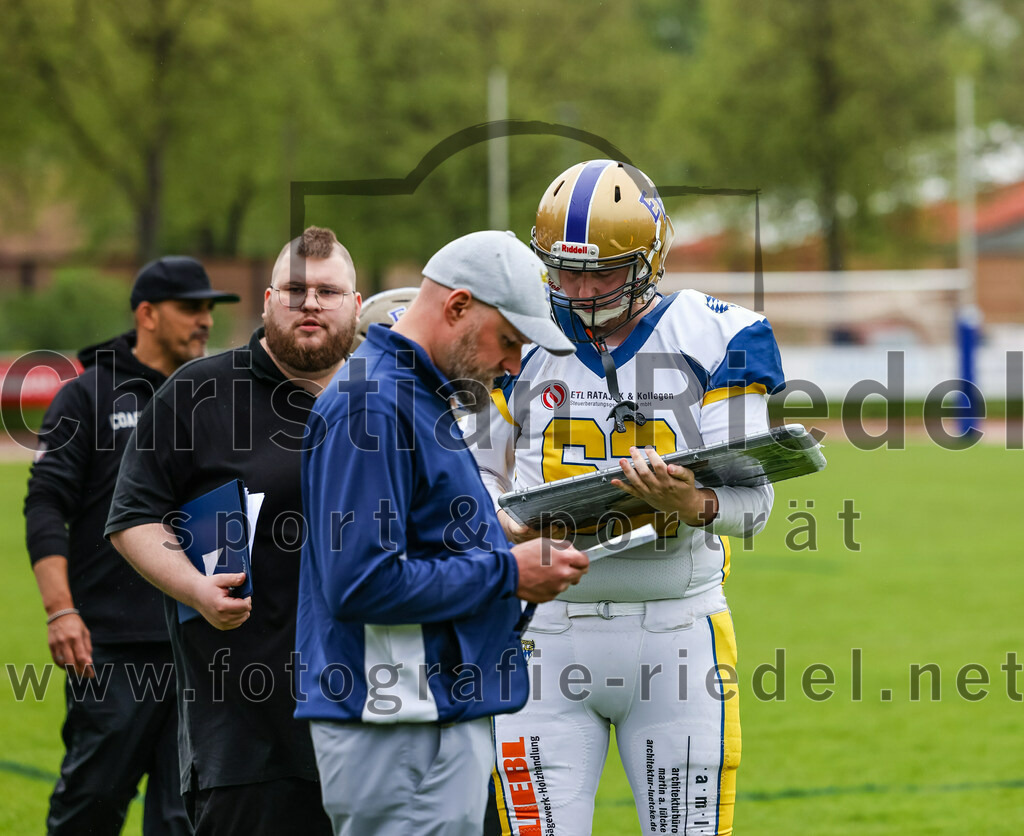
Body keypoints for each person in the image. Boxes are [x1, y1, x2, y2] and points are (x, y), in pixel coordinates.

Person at [470, 161, 785, 836]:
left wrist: (691, 501)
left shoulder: (716, 336)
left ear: (650, 260)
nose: (579, 289)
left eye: (602, 272)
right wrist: (503, 528)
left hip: (677, 630)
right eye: (564, 269)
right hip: (539, 636)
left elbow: (753, 502)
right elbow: (470, 491)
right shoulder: (515, 337)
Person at [295, 230, 591, 836]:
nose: (512, 365)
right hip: (396, 722)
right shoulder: (373, 404)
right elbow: (360, 582)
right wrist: (511, 573)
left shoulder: (412, 395)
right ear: (457, 307)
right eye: (508, 341)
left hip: (422, 713)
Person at [105, 226, 358, 836]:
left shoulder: (385, 398)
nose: (311, 303)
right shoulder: (197, 393)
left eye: (328, 291)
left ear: (356, 303)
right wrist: (195, 589)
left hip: (374, 719)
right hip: (245, 734)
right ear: (268, 299)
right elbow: (133, 516)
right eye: (295, 289)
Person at [24, 256, 238, 835]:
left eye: (209, 310)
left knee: (184, 818)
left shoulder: (211, 395)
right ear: (146, 313)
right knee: (90, 808)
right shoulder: (87, 395)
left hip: (199, 642)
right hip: (111, 646)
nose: (204, 321)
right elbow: (46, 505)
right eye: (191, 308)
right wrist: (59, 610)